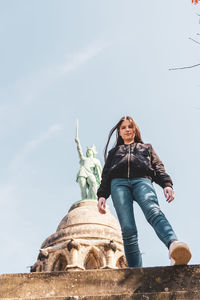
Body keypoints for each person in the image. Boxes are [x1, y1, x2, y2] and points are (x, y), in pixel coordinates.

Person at [97, 116, 191, 267]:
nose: (127, 129)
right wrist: (102, 195)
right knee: (128, 229)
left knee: (153, 211)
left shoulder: (146, 148)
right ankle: (135, 271)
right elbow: (106, 174)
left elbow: (158, 167)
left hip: (142, 180)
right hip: (118, 184)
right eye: (124, 127)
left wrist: (167, 184)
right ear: (119, 133)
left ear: (135, 130)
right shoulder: (114, 152)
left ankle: (174, 245)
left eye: (130, 127)